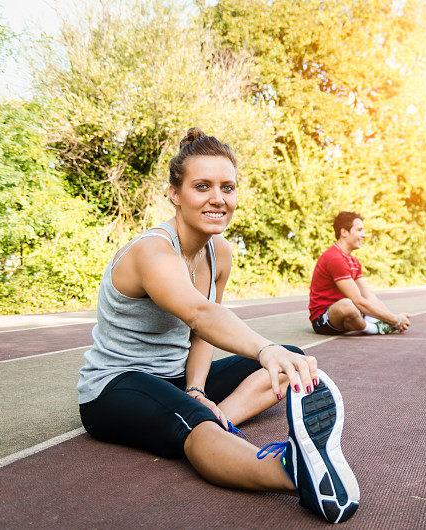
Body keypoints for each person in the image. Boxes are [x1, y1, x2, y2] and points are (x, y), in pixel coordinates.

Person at [76, 128, 359, 523]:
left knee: (295, 361)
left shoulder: (220, 251)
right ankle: (294, 474)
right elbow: (201, 314)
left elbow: (201, 334)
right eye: (202, 186)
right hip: (116, 385)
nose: (218, 199)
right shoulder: (153, 252)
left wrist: (195, 388)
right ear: (175, 193)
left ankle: (216, 419)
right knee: (201, 417)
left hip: (175, 378)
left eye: (228, 187)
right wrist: (264, 348)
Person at [308, 211, 411, 335]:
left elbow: (368, 296)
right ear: (344, 232)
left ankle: (378, 324)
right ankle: (374, 328)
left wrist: (393, 317)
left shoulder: (354, 261)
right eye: (359, 230)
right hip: (323, 319)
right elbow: (358, 301)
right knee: (348, 305)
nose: (364, 235)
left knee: (358, 309)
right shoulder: (334, 258)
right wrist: (395, 320)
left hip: (349, 316)